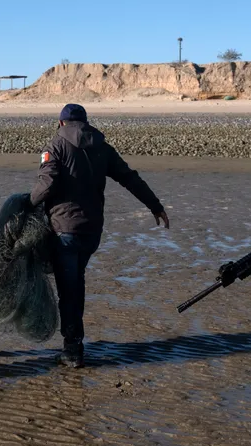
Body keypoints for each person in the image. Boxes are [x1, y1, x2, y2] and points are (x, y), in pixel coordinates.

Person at [29, 103, 169, 368]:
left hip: (64, 230)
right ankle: (73, 343)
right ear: (86, 122)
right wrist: (155, 205)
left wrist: (26, 205)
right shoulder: (101, 146)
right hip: (92, 231)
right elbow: (129, 177)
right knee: (75, 284)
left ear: (61, 123)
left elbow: (46, 184)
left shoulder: (55, 146)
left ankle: (72, 350)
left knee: (69, 289)